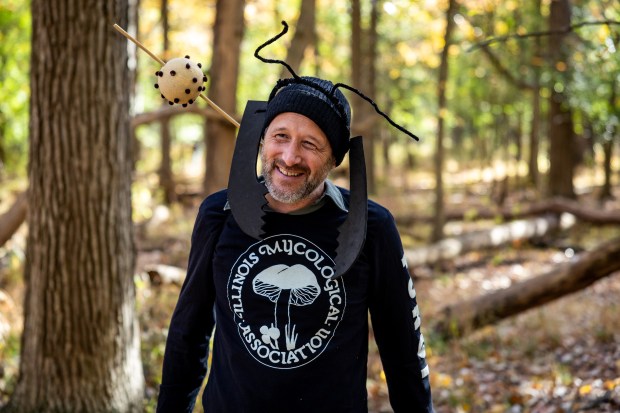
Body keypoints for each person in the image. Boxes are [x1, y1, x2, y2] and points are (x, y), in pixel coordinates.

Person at [155, 73, 434, 412]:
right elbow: (189, 331)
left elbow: (404, 350)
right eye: (280, 136)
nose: (289, 157)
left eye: (310, 144)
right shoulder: (218, 214)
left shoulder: (370, 225)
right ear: (262, 140)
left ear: (333, 158)